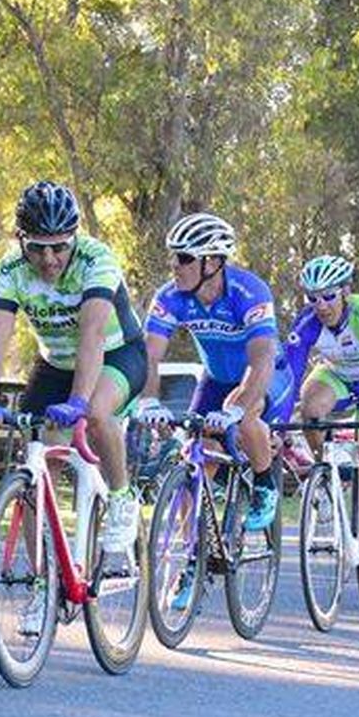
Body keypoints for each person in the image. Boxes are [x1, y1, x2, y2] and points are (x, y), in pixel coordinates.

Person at [0, 181, 148, 567]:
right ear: (21, 241)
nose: (49, 258)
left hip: (117, 355)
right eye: (37, 247)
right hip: (55, 365)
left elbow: (93, 334)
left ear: (75, 238)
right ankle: (42, 584)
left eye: (59, 246)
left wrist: (79, 401)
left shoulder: (97, 259)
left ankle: (121, 498)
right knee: (34, 466)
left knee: (98, 415)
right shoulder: (11, 269)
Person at [136, 212, 294, 533]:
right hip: (216, 379)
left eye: (183, 258)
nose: (174, 266)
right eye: (173, 257)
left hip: (267, 374)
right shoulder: (170, 297)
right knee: (192, 459)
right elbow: (149, 355)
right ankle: (192, 560)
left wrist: (237, 408)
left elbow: (261, 359)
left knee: (245, 413)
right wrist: (149, 401)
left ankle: (264, 486)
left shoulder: (249, 292)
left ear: (211, 262)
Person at [284, 254, 359, 598]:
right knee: (310, 405)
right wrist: (276, 426)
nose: (321, 305)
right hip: (336, 375)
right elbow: (289, 376)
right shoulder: (306, 323)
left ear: (346, 291)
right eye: (313, 297)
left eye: (329, 296)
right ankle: (326, 474)